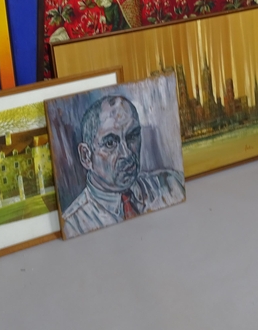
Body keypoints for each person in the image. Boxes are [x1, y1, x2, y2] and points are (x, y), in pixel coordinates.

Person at [61, 95, 185, 238]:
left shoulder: (172, 184)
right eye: (110, 143)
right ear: (86, 156)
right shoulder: (72, 225)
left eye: (132, 136)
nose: (126, 153)